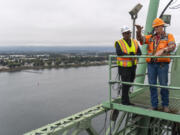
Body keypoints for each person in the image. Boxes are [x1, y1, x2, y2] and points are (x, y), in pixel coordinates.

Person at [135, 18, 176, 112]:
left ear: (162, 26)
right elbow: (140, 39)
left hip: (162, 65)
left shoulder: (169, 36)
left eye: (158, 27)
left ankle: (165, 105)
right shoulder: (151, 37)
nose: (156, 29)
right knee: (152, 85)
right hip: (151, 65)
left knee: (163, 85)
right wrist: (139, 32)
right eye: (155, 27)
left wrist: (164, 50)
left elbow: (172, 46)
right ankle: (154, 105)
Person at [114, 26, 141, 105]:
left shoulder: (135, 42)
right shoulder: (119, 42)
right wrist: (130, 56)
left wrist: (135, 55)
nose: (128, 34)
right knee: (126, 83)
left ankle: (125, 97)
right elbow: (119, 52)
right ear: (123, 34)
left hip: (132, 66)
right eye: (126, 33)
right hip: (124, 67)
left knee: (130, 82)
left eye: (129, 33)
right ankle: (125, 101)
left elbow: (140, 53)